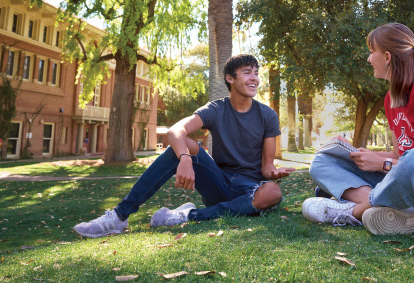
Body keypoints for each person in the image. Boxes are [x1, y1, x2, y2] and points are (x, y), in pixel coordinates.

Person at [73, 54, 295, 238]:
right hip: (218, 183)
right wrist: (185, 159)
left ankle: (187, 216)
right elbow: (175, 131)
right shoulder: (216, 109)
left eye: (256, 73)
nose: (254, 78)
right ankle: (119, 216)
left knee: (273, 192)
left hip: (250, 191)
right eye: (248, 72)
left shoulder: (267, 115)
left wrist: (274, 173)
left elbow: (266, 168)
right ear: (230, 78)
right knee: (182, 146)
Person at [302, 23, 414, 235]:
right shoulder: (391, 99)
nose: (368, 59)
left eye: (371, 52)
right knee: (323, 160)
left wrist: (382, 163)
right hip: (409, 180)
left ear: (387, 57)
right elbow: (398, 154)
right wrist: (360, 153)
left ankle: (353, 211)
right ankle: (403, 209)